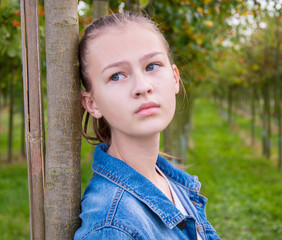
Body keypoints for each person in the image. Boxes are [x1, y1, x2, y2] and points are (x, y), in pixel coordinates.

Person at [74, 11, 220, 240]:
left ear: (174, 78)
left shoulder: (169, 181)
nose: (142, 86)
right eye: (116, 76)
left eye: (152, 66)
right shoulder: (112, 227)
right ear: (92, 104)